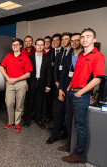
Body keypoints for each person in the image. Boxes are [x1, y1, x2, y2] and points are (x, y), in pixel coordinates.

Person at [62, 28, 105, 164]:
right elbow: (76, 73)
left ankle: (79, 155)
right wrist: (69, 87)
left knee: (80, 125)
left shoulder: (98, 56)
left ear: (94, 40)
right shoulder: (80, 55)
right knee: (68, 121)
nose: (84, 39)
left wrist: (81, 92)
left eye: (88, 36)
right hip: (71, 91)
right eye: (82, 37)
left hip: (81, 95)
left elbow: (97, 79)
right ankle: (71, 145)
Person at [0, 38, 32, 132]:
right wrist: (7, 77)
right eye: (13, 45)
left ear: (21, 46)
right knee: (9, 103)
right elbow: (1, 67)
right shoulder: (8, 56)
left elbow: (28, 74)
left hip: (21, 83)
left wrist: (16, 79)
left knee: (19, 104)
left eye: (17, 45)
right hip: (9, 83)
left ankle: (17, 123)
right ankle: (10, 121)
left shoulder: (25, 57)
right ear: (11, 46)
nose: (15, 46)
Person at [56, 33, 82, 150]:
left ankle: (76, 149)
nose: (74, 42)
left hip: (80, 90)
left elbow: (90, 76)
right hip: (67, 88)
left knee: (77, 121)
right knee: (66, 117)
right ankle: (69, 143)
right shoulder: (68, 56)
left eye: (77, 40)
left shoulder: (84, 56)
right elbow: (63, 75)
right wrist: (60, 89)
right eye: (72, 40)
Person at [46, 32, 73, 144]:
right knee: (59, 110)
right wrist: (57, 82)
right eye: (63, 39)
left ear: (70, 40)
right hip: (60, 84)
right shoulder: (60, 53)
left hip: (71, 86)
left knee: (68, 112)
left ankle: (66, 132)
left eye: (66, 39)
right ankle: (55, 134)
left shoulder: (74, 53)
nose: (63, 41)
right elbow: (56, 69)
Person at [24, 38, 52, 129]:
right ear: (35, 46)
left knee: (40, 102)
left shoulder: (47, 58)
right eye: (38, 45)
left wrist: (48, 85)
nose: (39, 46)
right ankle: (27, 120)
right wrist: (26, 84)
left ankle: (38, 120)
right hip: (31, 82)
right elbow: (26, 72)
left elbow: (49, 73)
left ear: (44, 46)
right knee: (30, 101)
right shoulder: (30, 57)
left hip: (42, 82)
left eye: (41, 45)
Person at [45, 33, 63, 123]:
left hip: (61, 80)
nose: (55, 42)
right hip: (50, 80)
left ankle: (59, 120)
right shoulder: (50, 52)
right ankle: (49, 116)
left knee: (60, 100)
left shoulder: (65, 51)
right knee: (49, 99)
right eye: (54, 40)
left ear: (61, 41)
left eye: (57, 40)